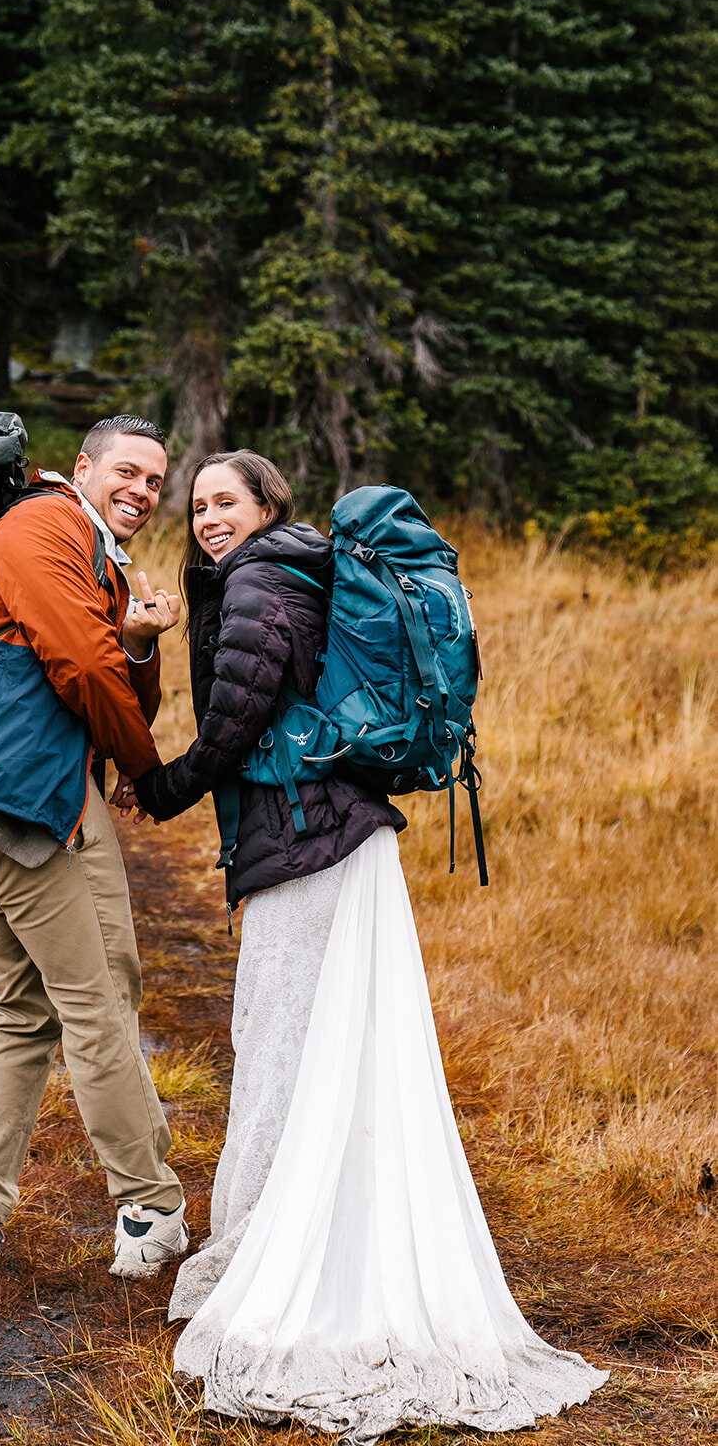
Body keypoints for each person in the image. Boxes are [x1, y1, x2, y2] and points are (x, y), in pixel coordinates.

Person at [126, 450, 607, 1440]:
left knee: (279, 1053)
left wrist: (161, 785)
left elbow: (234, 718)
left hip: (310, 847)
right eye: (199, 503)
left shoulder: (260, 578)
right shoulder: (290, 570)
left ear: (268, 507)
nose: (208, 517)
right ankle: (305, 1241)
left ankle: (269, 1259)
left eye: (227, 501)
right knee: (331, 1054)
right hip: (341, 842)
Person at [0, 415, 189, 1282]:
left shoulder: (92, 546)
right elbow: (79, 665)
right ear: (83, 467)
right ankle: (149, 1207)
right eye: (128, 472)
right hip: (10, 801)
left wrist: (137, 638)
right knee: (94, 1001)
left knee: (24, 1007)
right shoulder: (42, 526)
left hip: (12, 796)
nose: (141, 491)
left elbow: (105, 658)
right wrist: (149, 772)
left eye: (154, 481)